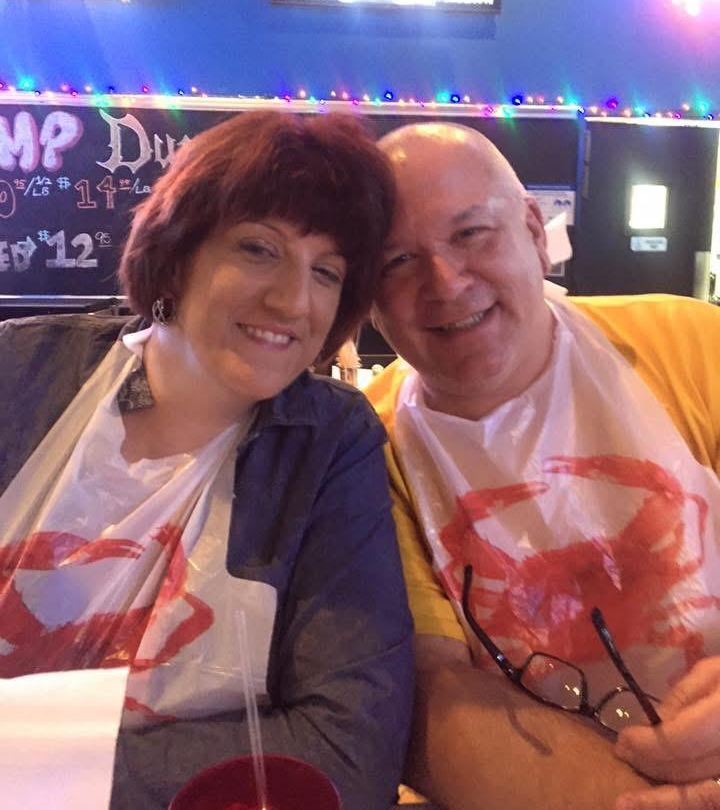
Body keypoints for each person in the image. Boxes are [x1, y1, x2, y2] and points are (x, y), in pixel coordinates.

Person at [0, 110, 414, 810]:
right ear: (177, 252)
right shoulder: (22, 370)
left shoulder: (329, 443)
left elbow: (347, 754)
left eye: (326, 271)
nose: (293, 300)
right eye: (258, 249)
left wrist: (30, 765)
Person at [364, 120, 720, 810]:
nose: (445, 283)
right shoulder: (366, 452)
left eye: (472, 233)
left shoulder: (693, 342)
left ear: (533, 230)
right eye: (396, 262)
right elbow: (437, 699)